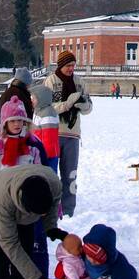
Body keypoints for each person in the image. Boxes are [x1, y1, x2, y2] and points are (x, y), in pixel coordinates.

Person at [42, 51, 93, 217]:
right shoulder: (50, 81)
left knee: (70, 174)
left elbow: (89, 108)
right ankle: (51, 208)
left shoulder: (79, 82)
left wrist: (83, 105)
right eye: (68, 66)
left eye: (73, 65)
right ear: (60, 66)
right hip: (53, 133)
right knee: (51, 174)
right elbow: (46, 107)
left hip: (72, 134)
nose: (71, 69)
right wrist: (67, 104)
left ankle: (69, 209)